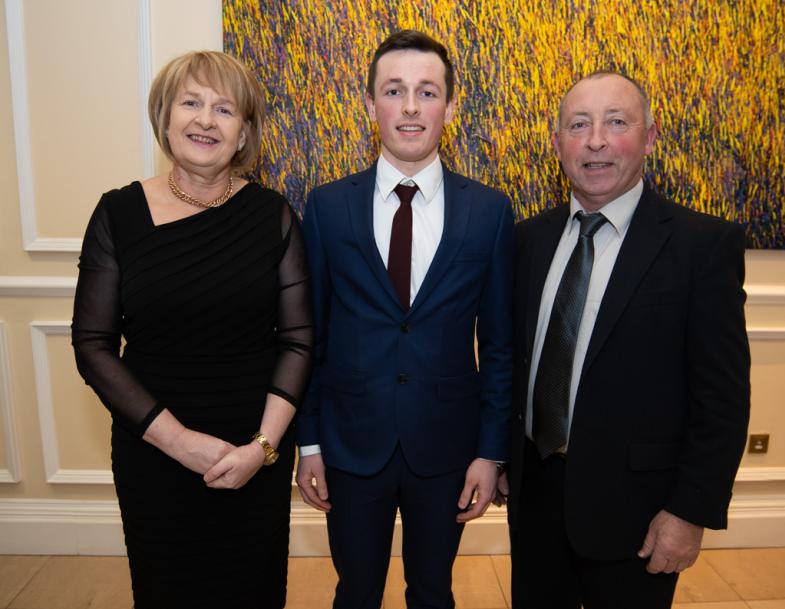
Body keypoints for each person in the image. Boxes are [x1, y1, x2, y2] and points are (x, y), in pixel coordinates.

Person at [72, 51, 312, 609]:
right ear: (165, 115)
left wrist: (262, 448)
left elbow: (299, 342)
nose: (206, 119)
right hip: (153, 452)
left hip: (254, 454)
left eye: (225, 109)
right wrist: (178, 443)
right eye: (191, 102)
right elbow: (93, 346)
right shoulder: (118, 213)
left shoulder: (274, 215)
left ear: (244, 132)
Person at [507, 71, 751, 609]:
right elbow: (516, 361)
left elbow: (723, 400)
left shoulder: (702, 247)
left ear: (649, 136)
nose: (595, 140)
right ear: (557, 143)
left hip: (639, 516)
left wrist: (689, 512)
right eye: (578, 125)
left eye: (616, 122)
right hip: (537, 502)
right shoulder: (527, 240)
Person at [296, 30, 513, 609]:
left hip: (447, 447)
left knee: (433, 592)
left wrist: (489, 453)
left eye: (427, 91)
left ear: (449, 105)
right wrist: (309, 441)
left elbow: (498, 346)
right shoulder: (326, 206)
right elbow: (308, 336)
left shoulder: (489, 211)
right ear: (370, 105)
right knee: (356, 591)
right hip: (349, 442)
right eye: (395, 90)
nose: (411, 107)